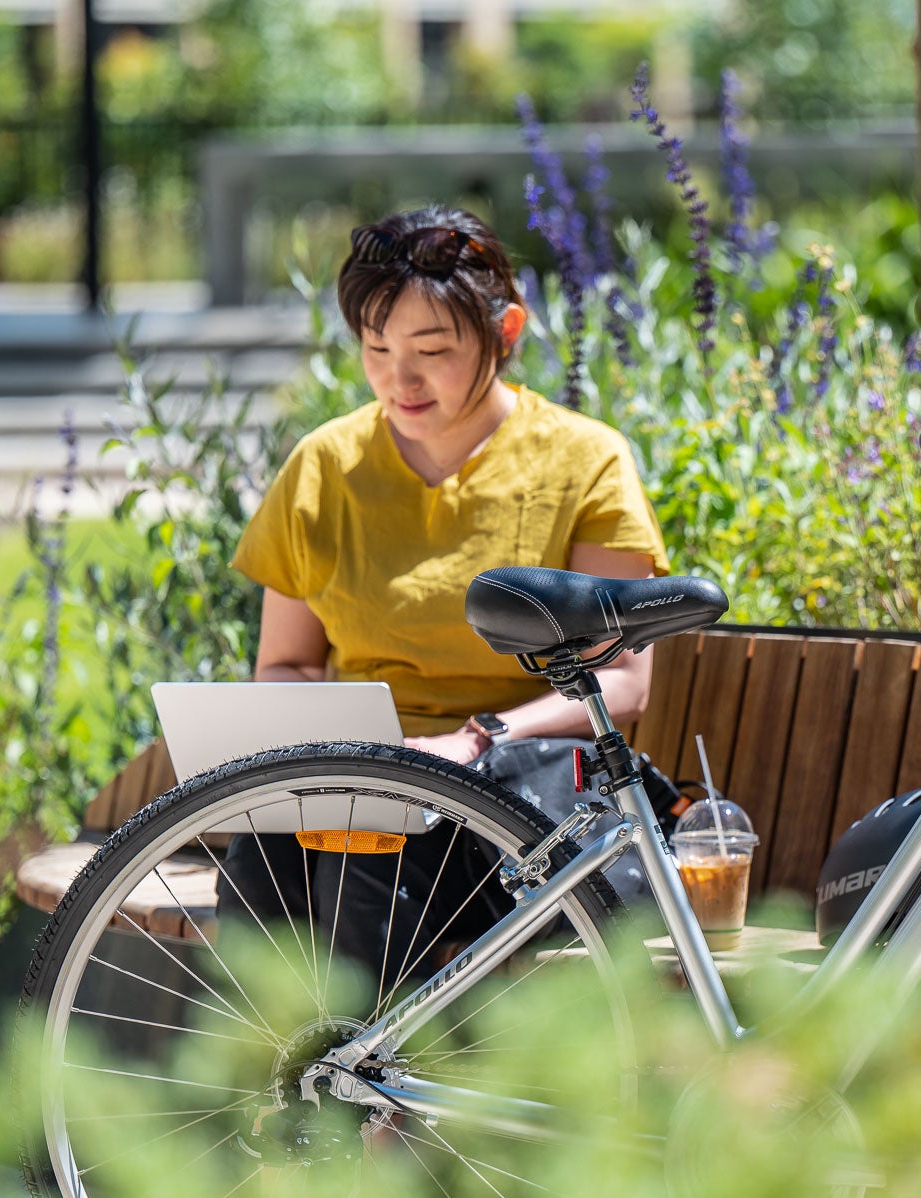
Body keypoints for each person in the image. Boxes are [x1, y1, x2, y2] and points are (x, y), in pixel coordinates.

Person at [215, 205, 669, 979]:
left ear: (506, 332)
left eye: (432, 349)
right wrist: (349, 746)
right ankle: (268, 1088)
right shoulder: (324, 467)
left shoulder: (584, 460)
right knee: (263, 859)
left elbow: (620, 680)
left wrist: (474, 740)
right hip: (363, 783)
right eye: (376, 348)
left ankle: (358, 1096)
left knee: (374, 856)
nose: (401, 378)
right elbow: (285, 665)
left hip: (520, 800)